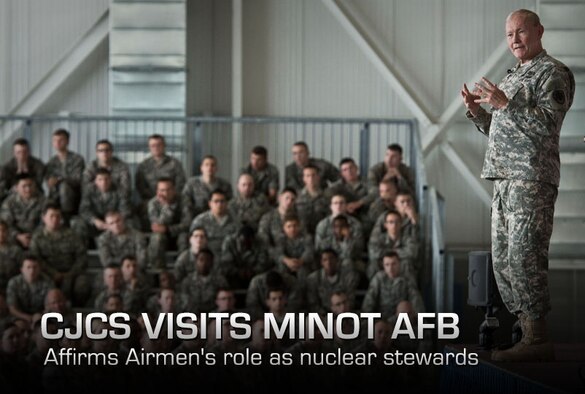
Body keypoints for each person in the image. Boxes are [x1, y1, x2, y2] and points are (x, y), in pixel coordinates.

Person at [461, 9, 575, 362]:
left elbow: (546, 124)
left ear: (539, 30)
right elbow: (504, 128)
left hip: (531, 179)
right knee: (505, 260)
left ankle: (538, 338)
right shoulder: (514, 75)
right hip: (504, 179)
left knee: (526, 255)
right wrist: (481, 114)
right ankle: (526, 334)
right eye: (509, 34)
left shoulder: (553, 73)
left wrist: (504, 105)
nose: (514, 39)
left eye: (521, 31)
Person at [29, 204, 89, 306]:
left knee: (82, 284)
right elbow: (36, 259)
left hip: (71, 272)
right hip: (47, 274)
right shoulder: (37, 237)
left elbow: (82, 257)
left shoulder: (72, 235)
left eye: (58, 216)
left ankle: (76, 308)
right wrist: (53, 273)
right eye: (51, 216)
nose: (55, 219)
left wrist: (70, 273)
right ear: (44, 218)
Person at [73, 167, 132, 247]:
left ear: (111, 179)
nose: (104, 182)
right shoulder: (89, 190)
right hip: (95, 223)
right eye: (100, 179)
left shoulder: (120, 190)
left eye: (106, 179)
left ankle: (123, 251)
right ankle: (82, 250)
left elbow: (125, 210)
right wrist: (95, 220)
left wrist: (113, 223)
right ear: (95, 181)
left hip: (115, 222)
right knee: (77, 223)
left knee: (131, 223)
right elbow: (84, 210)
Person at [361, 252, 424, 317]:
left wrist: (421, 320)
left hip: (400, 317)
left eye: (394, 264)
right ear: (383, 266)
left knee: (404, 306)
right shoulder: (378, 279)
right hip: (383, 317)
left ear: (399, 264)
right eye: (387, 265)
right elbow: (369, 300)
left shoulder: (407, 279)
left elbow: (416, 300)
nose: (390, 268)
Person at [147, 178, 190, 268]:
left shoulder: (184, 200)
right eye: (162, 190)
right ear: (157, 191)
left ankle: (182, 270)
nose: (165, 193)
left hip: (179, 234)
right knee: (157, 238)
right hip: (163, 236)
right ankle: (158, 272)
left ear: (174, 190)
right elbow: (157, 227)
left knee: (184, 237)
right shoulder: (153, 203)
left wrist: (167, 229)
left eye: (168, 189)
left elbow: (188, 224)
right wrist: (167, 207)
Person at [135, 134, 186, 207]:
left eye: (159, 145)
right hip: (150, 201)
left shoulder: (175, 164)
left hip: (171, 201)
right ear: (149, 147)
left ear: (164, 146)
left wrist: (169, 197)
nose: (156, 148)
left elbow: (180, 184)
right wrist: (157, 199)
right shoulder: (143, 166)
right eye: (153, 145)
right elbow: (140, 186)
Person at [44, 129, 85, 220]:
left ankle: (66, 218)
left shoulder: (77, 159)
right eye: (55, 140)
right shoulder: (51, 162)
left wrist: (59, 180)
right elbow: (49, 182)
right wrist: (51, 182)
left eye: (61, 140)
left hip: (74, 195)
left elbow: (77, 179)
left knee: (64, 187)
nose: (57, 143)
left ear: (67, 141)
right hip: (55, 196)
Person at [189, 189, 240, 260]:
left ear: (227, 203)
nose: (219, 204)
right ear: (210, 204)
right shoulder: (200, 220)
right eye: (216, 201)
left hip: (229, 258)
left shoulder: (235, 220)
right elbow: (193, 241)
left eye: (222, 201)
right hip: (207, 258)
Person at [0, 173, 46, 249]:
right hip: (15, 237)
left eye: (30, 185)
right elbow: (6, 224)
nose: (28, 189)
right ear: (16, 187)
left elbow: (45, 223)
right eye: (24, 186)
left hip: (37, 236)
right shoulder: (9, 203)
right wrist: (18, 236)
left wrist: (34, 236)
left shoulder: (43, 201)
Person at [182, 155, 233, 221]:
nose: (209, 168)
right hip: (197, 219)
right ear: (201, 168)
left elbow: (229, 205)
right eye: (206, 165)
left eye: (212, 165)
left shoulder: (225, 185)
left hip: (218, 219)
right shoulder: (191, 184)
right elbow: (185, 204)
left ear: (216, 168)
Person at [6, 255, 54, 323]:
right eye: (28, 267)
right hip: (20, 316)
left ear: (40, 268)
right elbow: (12, 308)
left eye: (35, 267)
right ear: (22, 269)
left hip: (42, 316)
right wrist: (27, 317)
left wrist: (40, 316)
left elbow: (51, 305)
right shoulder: (14, 283)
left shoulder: (47, 281)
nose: (32, 270)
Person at [295, 164, 330, 235]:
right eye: (307, 176)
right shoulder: (296, 196)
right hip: (302, 234)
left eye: (313, 175)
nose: (311, 178)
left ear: (318, 177)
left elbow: (330, 217)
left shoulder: (327, 196)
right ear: (303, 178)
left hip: (322, 233)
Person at [0, 220, 22, 290]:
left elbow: (23, 271)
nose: (1, 233)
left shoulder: (16, 250)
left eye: (3, 230)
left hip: (14, 287)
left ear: (8, 232)